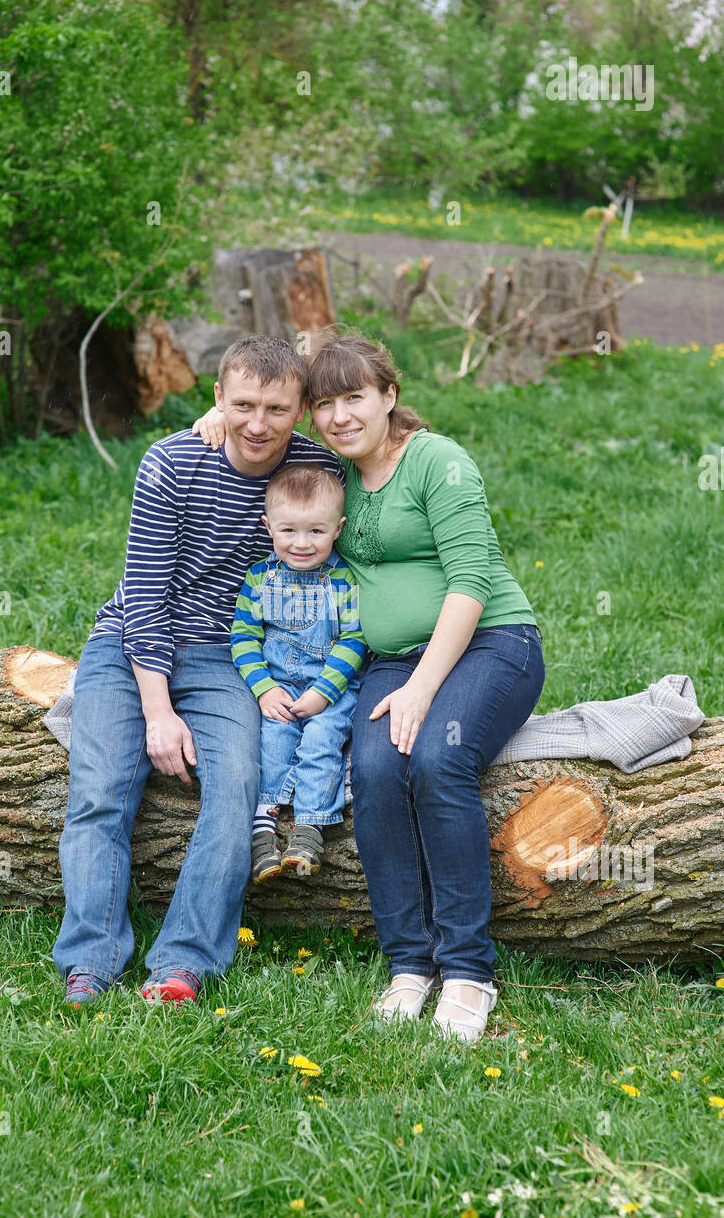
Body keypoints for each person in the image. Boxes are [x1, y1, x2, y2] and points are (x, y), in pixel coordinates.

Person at [193, 330, 545, 1044]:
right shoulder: (333, 470)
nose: (338, 415)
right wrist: (207, 421)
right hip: (385, 659)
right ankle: (409, 966)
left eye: (354, 397)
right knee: (378, 769)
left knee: (439, 761)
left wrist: (421, 688)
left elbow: (472, 579)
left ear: (389, 396)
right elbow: (252, 433)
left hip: (488, 644)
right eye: (324, 403)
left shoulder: (436, 463)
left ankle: (469, 972)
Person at [53, 336, 343, 1008]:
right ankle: (91, 959)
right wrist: (158, 712)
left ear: (300, 409)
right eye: (241, 404)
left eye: (276, 408)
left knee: (239, 784)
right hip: (128, 646)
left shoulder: (312, 470)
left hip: (228, 656)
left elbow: (384, 437)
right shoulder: (172, 463)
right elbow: (145, 600)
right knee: (99, 789)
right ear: (216, 398)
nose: (257, 424)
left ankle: (183, 962)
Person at [230, 463, 365, 882]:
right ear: (268, 526)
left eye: (316, 532)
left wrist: (324, 692)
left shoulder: (343, 579)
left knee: (321, 743)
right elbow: (243, 639)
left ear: (338, 528)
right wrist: (264, 690)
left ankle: (309, 827)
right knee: (271, 742)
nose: (302, 544)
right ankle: (263, 829)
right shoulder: (259, 577)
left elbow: (354, 639)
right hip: (279, 686)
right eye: (289, 531)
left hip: (331, 688)